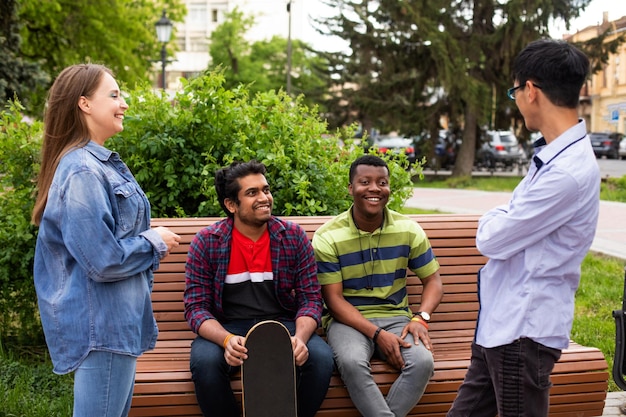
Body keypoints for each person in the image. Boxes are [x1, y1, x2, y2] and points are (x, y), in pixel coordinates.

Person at [447, 39, 599, 417]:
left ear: (530, 90)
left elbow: (492, 238)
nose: (515, 100)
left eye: (514, 91)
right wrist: (502, 217)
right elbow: (507, 223)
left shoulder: (566, 173)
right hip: (502, 326)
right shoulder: (554, 155)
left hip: (523, 330)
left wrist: (494, 218)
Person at [31, 64, 181, 417]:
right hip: (103, 327)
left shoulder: (96, 164)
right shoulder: (83, 169)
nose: (124, 103)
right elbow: (103, 260)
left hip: (115, 323)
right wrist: (154, 241)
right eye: (113, 95)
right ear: (84, 104)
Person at [184, 160, 334, 417]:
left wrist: (300, 338)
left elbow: (310, 299)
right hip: (228, 327)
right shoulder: (208, 242)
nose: (264, 198)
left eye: (265, 190)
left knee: (320, 360)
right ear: (231, 205)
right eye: (252, 193)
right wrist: (226, 340)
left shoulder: (292, 236)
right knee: (205, 364)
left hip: (283, 324)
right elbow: (196, 308)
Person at [312, 154, 444, 417]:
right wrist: (377, 335)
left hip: (397, 318)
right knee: (351, 362)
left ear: (389, 188)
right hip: (348, 321)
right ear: (351, 188)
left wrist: (421, 318)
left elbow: (433, 282)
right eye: (365, 182)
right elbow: (334, 302)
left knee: (422, 363)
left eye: (382, 182)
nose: (374, 189)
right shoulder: (328, 236)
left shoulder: (408, 229)